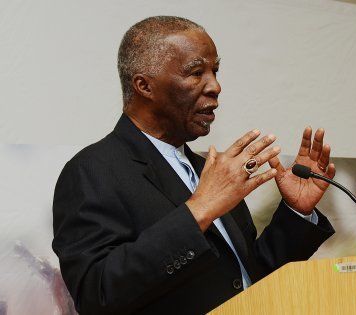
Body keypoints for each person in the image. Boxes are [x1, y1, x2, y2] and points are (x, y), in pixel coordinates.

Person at [52, 16, 336, 314]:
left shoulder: (209, 171)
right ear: (144, 86)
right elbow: (97, 295)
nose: (215, 86)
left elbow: (249, 277)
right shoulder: (91, 171)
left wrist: (296, 213)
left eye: (215, 71)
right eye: (196, 72)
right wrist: (198, 210)